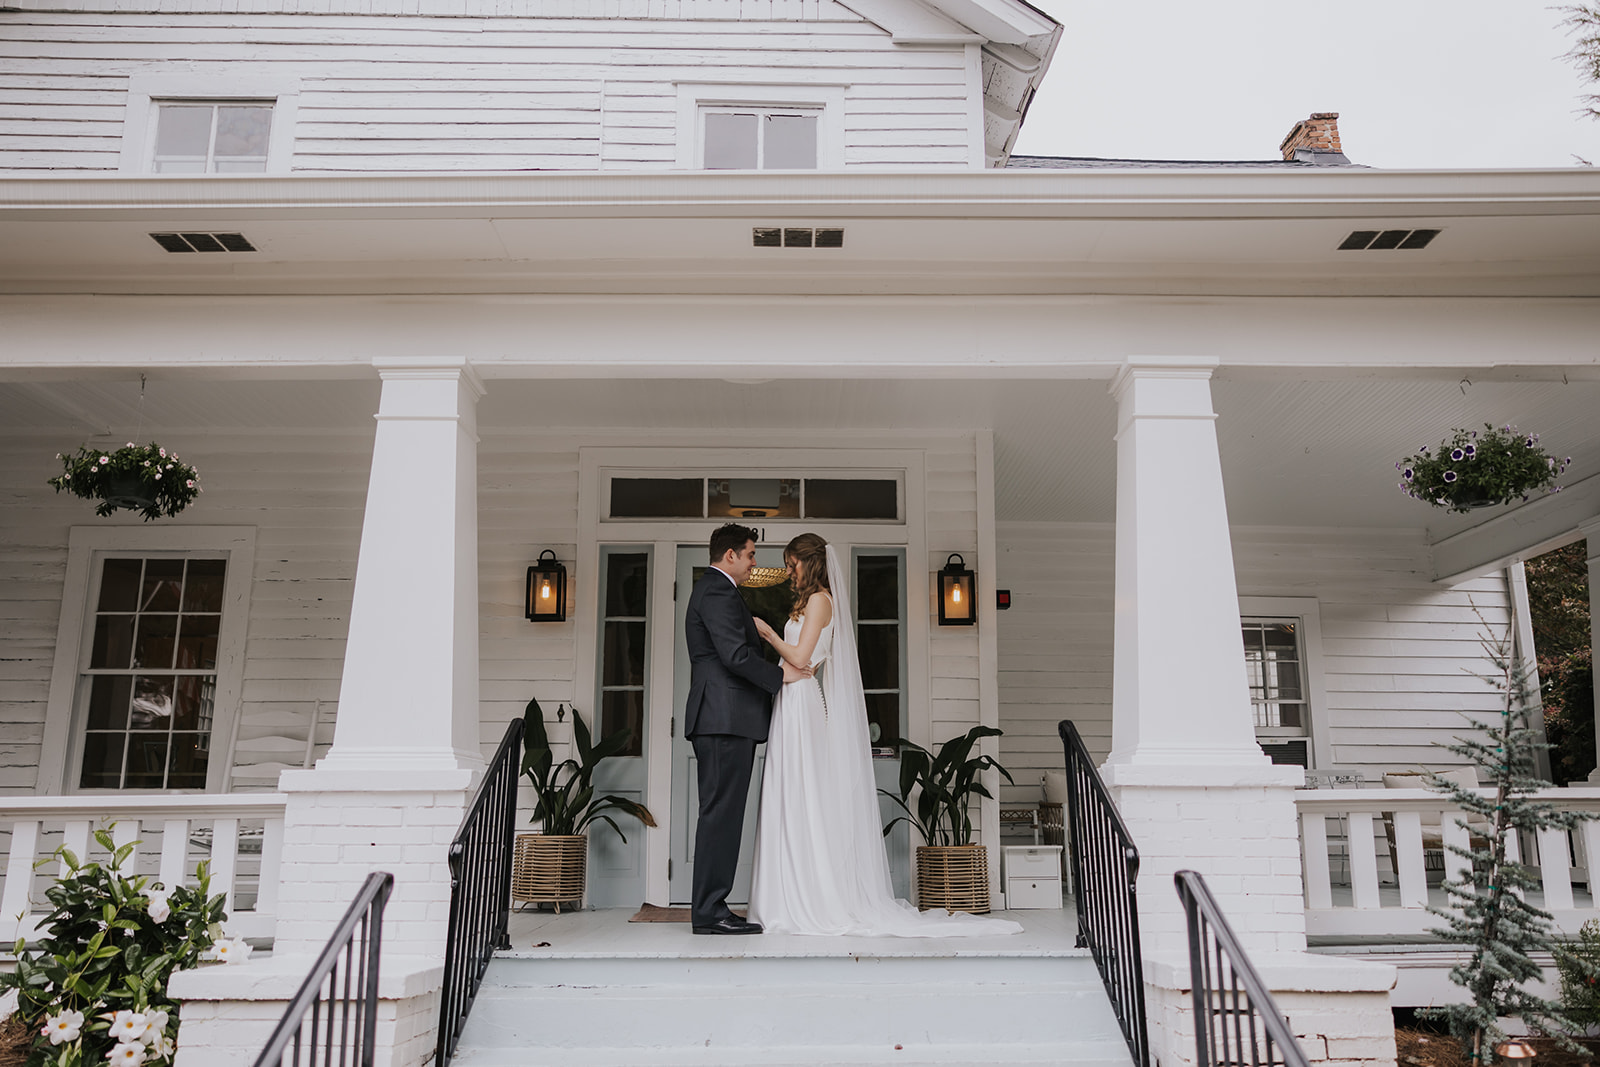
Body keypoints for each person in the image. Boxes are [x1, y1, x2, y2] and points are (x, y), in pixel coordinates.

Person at [747, 533, 1021, 937]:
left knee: (804, 790)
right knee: (789, 791)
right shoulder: (806, 602)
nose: (790, 571)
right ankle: (785, 893)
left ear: (811, 562)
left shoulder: (822, 600)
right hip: (792, 694)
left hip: (803, 698)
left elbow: (804, 658)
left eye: (793, 564)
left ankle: (814, 895)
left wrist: (769, 635)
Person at [683, 523, 811, 935]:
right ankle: (709, 912)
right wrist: (782, 676)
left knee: (722, 814)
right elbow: (736, 655)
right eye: (752, 554)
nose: (756, 562)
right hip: (722, 718)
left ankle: (711, 907)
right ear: (731, 555)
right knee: (720, 815)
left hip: (725, 718)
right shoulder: (718, 590)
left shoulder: (716, 590)